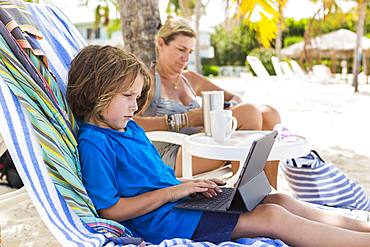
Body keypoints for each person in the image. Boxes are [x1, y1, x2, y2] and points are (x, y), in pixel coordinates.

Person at [67, 45, 370, 246]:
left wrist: (190, 184)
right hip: (165, 222)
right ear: (97, 92)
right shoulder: (95, 143)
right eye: (128, 97)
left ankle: (362, 231)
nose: (136, 106)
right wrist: (175, 191)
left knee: (276, 199)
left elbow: (153, 182)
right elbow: (110, 210)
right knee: (273, 218)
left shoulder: (129, 128)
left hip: (177, 205)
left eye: (137, 96)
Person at [133, 16, 281, 187]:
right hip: (175, 155)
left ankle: (271, 191)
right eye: (181, 49)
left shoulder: (190, 79)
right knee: (249, 112)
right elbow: (130, 122)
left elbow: (234, 98)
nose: (185, 58)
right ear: (160, 44)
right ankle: (241, 188)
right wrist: (184, 120)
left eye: (190, 52)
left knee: (269, 113)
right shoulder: (149, 81)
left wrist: (224, 114)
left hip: (202, 144)